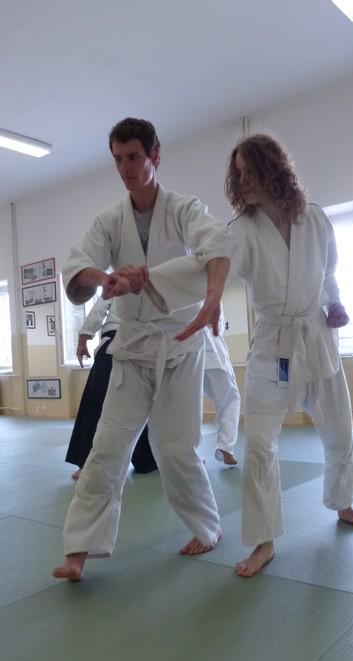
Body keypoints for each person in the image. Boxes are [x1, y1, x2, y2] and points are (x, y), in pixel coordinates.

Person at [53, 117, 230, 582]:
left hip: (179, 344)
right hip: (131, 350)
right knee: (107, 448)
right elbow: (77, 266)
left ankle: (207, 528)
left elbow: (216, 244)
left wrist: (212, 297)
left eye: (133, 157)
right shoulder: (110, 221)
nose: (125, 168)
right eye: (117, 159)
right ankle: (79, 549)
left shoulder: (184, 209)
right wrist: (106, 279)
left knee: (175, 449)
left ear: (155, 156)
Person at [223, 133, 353, 577]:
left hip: (316, 339)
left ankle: (343, 503)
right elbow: (209, 266)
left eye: (250, 171)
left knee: (339, 429)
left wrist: (335, 303)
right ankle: (264, 540)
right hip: (273, 345)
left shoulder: (315, 219)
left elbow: (328, 273)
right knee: (258, 445)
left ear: (273, 169)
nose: (243, 181)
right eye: (238, 174)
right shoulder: (242, 230)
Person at [65, 297, 157, 480]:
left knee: (96, 403)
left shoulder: (120, 282)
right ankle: (148, 460)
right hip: (142, 345)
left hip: (120, 344)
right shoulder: (155, 283)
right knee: (142, 404)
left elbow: (99, 309)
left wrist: (83, 339)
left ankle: (87, 464)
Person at [203, 307, 241, 465]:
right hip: (214, 356)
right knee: (230, 401)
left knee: (189, 408)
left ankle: (190, 453)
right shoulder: (212, 294)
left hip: (186, 355)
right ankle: (225, 447)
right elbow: (216, 325)